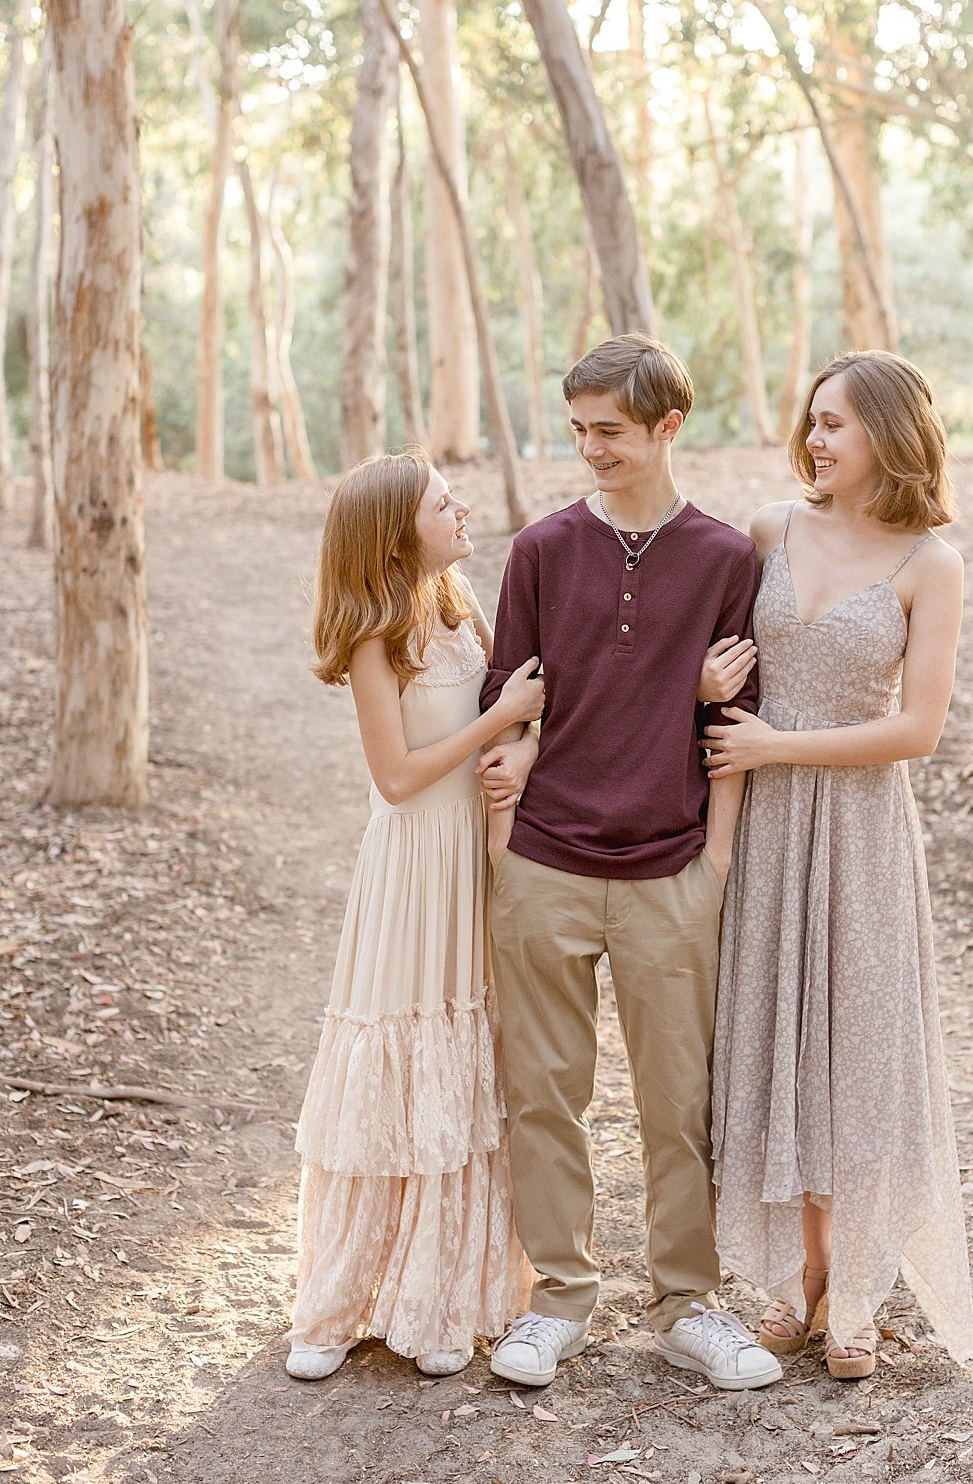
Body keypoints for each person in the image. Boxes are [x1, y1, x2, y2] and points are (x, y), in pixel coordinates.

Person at [477, 334, 783, 1393]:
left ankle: (687, 1303)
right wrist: (508, 805)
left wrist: (719, 861)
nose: (590, 449)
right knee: (543, 1092)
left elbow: (736, 722)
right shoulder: (540, 551)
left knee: (676, 1101)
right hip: (546, 856)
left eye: (609, 430)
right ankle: (555, 1301)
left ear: (666, 426)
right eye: (579, 431)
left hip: (671, 866)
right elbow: (504, 703)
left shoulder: (726, 560)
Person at [706, 351, 973, 1379]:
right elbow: (719, 673)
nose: (816, 440)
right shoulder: (771, 530)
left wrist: (780, 744)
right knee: (783, 1046)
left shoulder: (930, 563)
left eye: (837, 425)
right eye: (812, 421)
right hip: (769, 831)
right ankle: (804, 1279)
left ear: (892, 436)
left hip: (861, 831)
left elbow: (918, 728)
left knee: (858, 1054)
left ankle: (859, 1289)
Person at [285, 452, 543, 1381]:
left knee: (470, 1064)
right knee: (394, 1059)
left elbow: (516, 720)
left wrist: (520, 738)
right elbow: (396, 778)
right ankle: (340, 1299)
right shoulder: (375, 632)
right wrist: (498, 719)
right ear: (400, 532)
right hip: (410, 868)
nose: (462, 506)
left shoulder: (462, 603)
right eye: (444, 502)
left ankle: (439, 1297)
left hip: (475, 860)